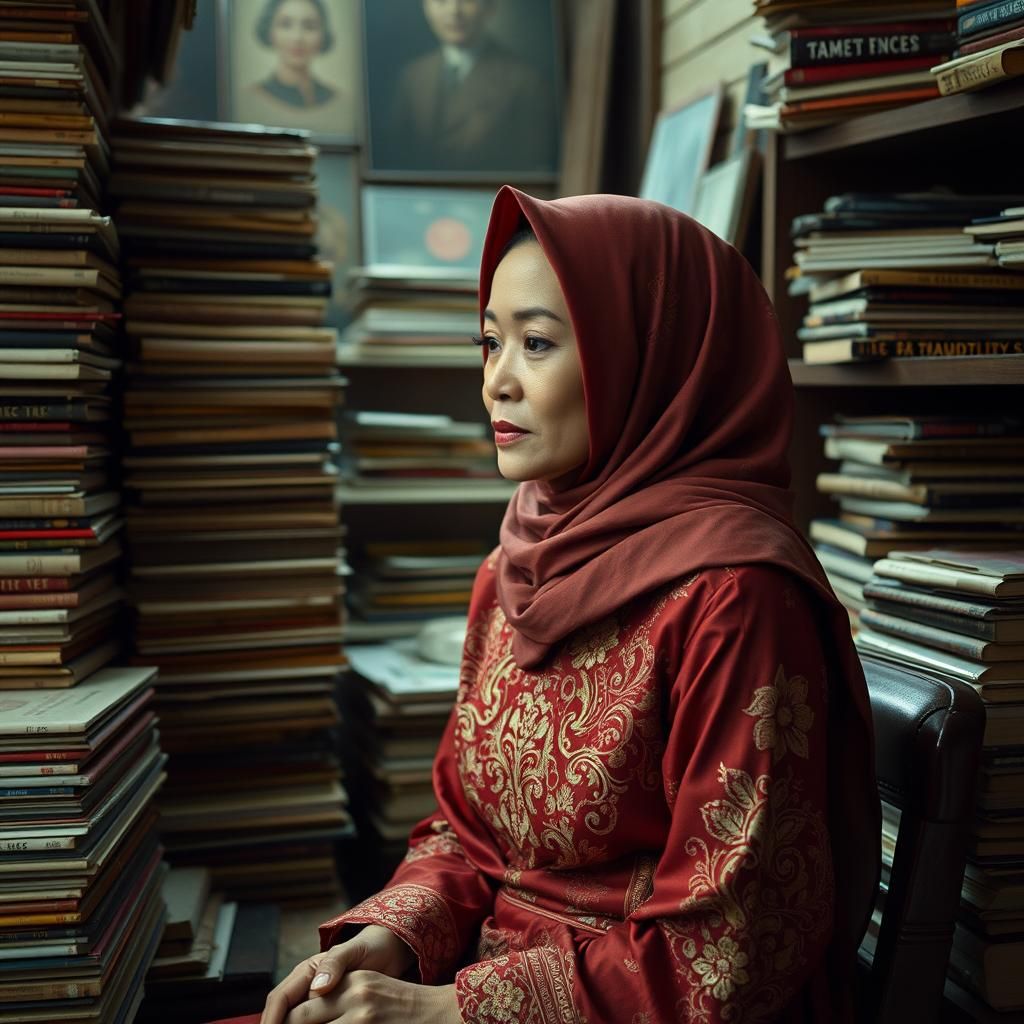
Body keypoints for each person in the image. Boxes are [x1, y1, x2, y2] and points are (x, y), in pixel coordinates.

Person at [260, 187, 880, 1024]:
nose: (496, 382)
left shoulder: (738, 599)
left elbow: (725, 950)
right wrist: (392, 941)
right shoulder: (516, 563)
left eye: (538, 343)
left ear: (649, 357)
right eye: (489, 342)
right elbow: (467, 836)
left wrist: (446, 1014)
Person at [378, 0, 558, 173]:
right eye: (441, 1)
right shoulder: (412, 76)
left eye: (467, 0)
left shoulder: (525, 82)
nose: (454, 11)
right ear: (426, 7)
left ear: (489, 7)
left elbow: (533, 166)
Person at [237, 0, 354, 135]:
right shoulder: (250, 100)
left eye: (309, 26)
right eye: (286, 25)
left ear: (323, 35)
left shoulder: (341, 103)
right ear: (270, 32)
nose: (297, 37)